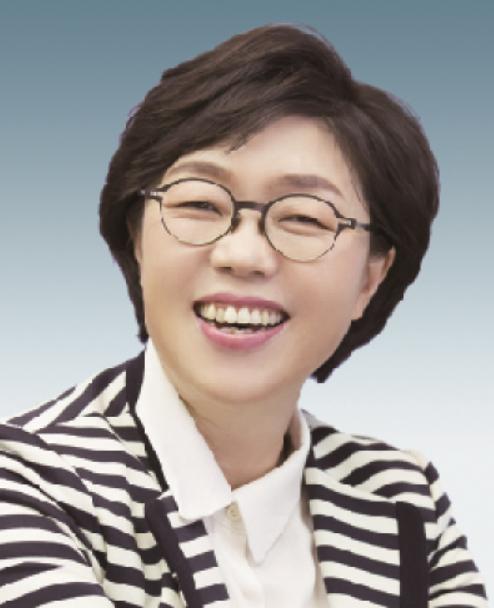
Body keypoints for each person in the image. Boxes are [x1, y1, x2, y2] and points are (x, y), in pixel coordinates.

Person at [0, 23, 487, 608]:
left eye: (304, 217)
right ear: (137, 239)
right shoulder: (26, 480)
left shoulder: (401, 497)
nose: (243, 255)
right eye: (200, 203)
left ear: (370, 278)